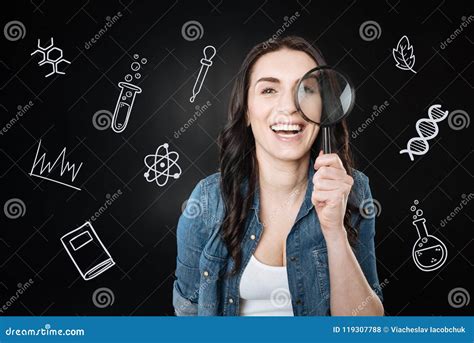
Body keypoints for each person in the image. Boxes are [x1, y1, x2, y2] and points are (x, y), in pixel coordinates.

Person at [173, 35, 384, 316]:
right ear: (246, 111)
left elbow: (364, 330)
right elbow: (188, 315)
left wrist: (335, 232)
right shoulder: (207, 200)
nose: (290, 107)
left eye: (307, 90)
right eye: (269, 90)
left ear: (325, 107)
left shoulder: (352, 190)